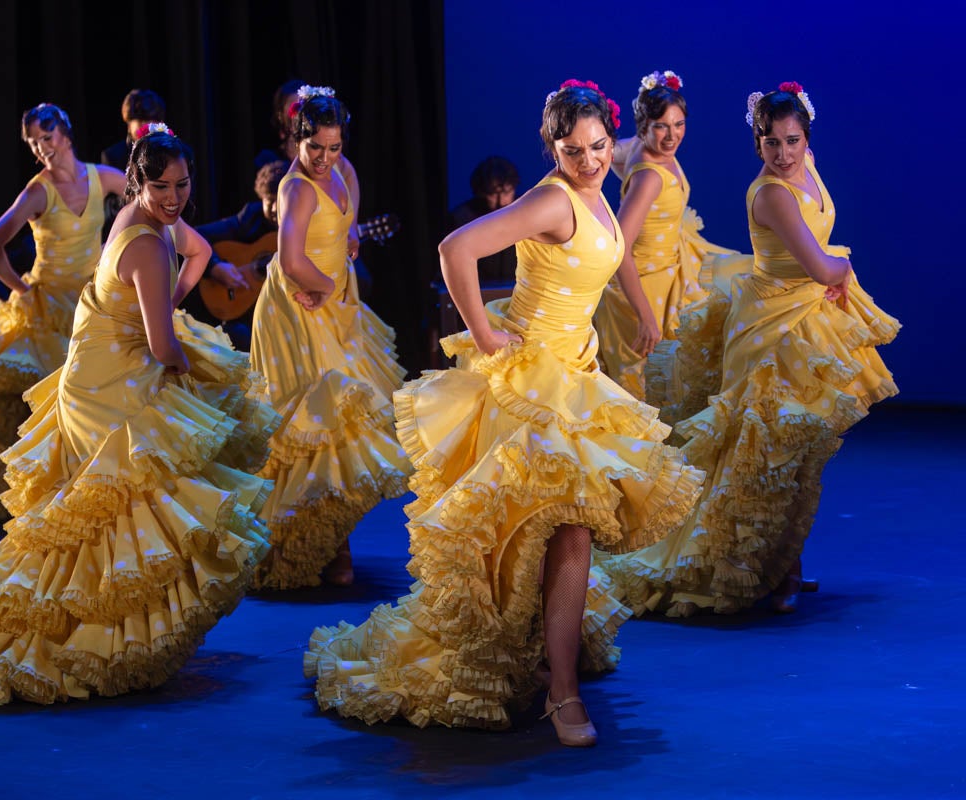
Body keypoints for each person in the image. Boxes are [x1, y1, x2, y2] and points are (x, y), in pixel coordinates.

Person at [303, 80, 704, 745]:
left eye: (600, 147)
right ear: (552, 147)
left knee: (563, 529)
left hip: (575, 375)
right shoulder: (552, 198)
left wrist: (639, 309)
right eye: (574, 151)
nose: (590, 161)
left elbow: (612, 253)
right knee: (561, 528)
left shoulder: (598, 193)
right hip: (532, 384)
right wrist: (488, 339)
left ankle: (551, 665)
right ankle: (563, 693)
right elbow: (454, 250)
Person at [0, 129, 280, 704]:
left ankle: (111, 637)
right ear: (138, 183)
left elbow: (200, 253)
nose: (174, 197)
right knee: (125, 507)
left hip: (100, 365)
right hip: (112, 380)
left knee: (121, 511)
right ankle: (79, 639)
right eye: (161, 186)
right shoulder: (149, 243)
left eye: (183, 185)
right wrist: (189, 367)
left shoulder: (137, 216)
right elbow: (163, 349)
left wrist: (167, 308)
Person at [595, 83, 899, 616]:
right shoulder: (773, 193)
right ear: (756, 143)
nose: (783, 154)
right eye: (771, 143)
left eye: (793, 141)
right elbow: (820, 266)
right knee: (761, 455)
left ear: (807, 138)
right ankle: (743, 568)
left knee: (797, 451)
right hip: (773, 327)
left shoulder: (804, 166)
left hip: (803, 321)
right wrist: (841, 271)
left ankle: (783, 562)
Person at [248, 86, 410, 589]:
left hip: (335, 303)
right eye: (314, 147)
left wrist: (350, 246)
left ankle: (330, 539)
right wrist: (324, 285)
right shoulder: (294, 188)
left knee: (350, 424)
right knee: (319, 423)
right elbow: (293, 260)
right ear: (297, 140)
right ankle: (321, 550)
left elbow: (349, 228)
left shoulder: (346, 171)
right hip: (297, 307)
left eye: (333, 147)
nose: (323, 158)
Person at [0, 103, 126, 519]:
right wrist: (20, 285)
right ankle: (53, 494)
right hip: (49, 308)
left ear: (65, 135)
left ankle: (99, 486)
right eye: (34, 143)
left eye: (47, 139)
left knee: (106, 396)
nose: (43, 149)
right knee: (56, 404)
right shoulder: (38, 191)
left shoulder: (102, 178)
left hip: (94, 301)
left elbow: (146, 201)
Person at [593, 70, 740, 400]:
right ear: (643, 126)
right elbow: (619, 249)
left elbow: (604, 151)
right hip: (645, 287)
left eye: (679, 124)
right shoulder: (650, 178)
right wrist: (646, 316)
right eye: (661, 126)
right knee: (645, 391)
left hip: (671, 270)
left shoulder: (634, 149)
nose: (672, 135)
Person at [183, 159, 288, 351]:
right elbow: (196, 236)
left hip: (284, 315)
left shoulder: (305, 228)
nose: (274, 209)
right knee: (236, 336)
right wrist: (215, 266)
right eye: (269, 201)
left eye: (280, 202)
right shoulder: (250, 219)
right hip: (246, 316)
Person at [447, 155, 520, 282]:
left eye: (507, 192)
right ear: (480, 192)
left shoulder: (524, 211)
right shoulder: (462, 217)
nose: (501, 201)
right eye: (493, 194)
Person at [99, 89, 167, 170]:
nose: (147, 127)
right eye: (141, 120)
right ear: (129, 124)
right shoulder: (113, 156)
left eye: (153, 120)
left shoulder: (178, 153)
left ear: (161, 122)